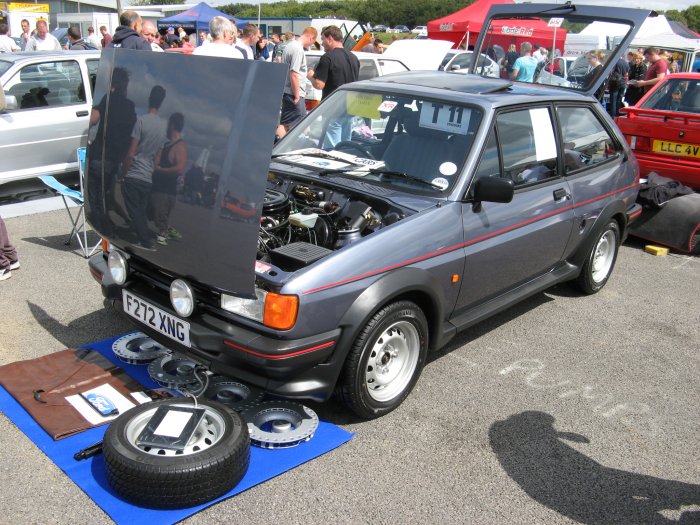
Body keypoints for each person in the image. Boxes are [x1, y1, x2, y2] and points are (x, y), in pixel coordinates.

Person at [121, 85, 168, 250]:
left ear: (149, 99)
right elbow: (158, 158)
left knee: (134, 210)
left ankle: (145, 240)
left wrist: (124, 172)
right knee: (140, 209)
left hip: (135, 172)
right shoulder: (163, 127)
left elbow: (131, 153)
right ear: (161, 103)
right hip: (148, 176)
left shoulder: (141, 120)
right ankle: (143, 235)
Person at [307, 25, 360, 148]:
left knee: (332, 148)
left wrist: (310, 76)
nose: (322, 43)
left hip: (333, 108)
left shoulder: (328, 58)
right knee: (345, 144)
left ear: (330, 38)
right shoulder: (354, 58)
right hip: (351, 106)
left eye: (323, 39)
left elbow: (319, 85)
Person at [152, 112, 187, 245]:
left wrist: (160, 169)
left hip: (165, 192)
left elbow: (179, 169)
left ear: (172, 125)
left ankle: (164, 233)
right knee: (152, 214)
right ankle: (165, 228)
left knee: (159, 221)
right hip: (159, 189)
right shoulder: (167, 144)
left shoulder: (179, 146)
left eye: (168, 124)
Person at [276, 26, 317, 139]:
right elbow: (294, 73)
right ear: (310, 37)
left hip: (290, 91)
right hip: (294, 93)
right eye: (312, 42)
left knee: (302, 122)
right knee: (286, 124)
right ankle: (276, 146)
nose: (311, 45)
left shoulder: (290, 46)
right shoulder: (298, 49)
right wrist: (297, 95)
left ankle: (305, 144)